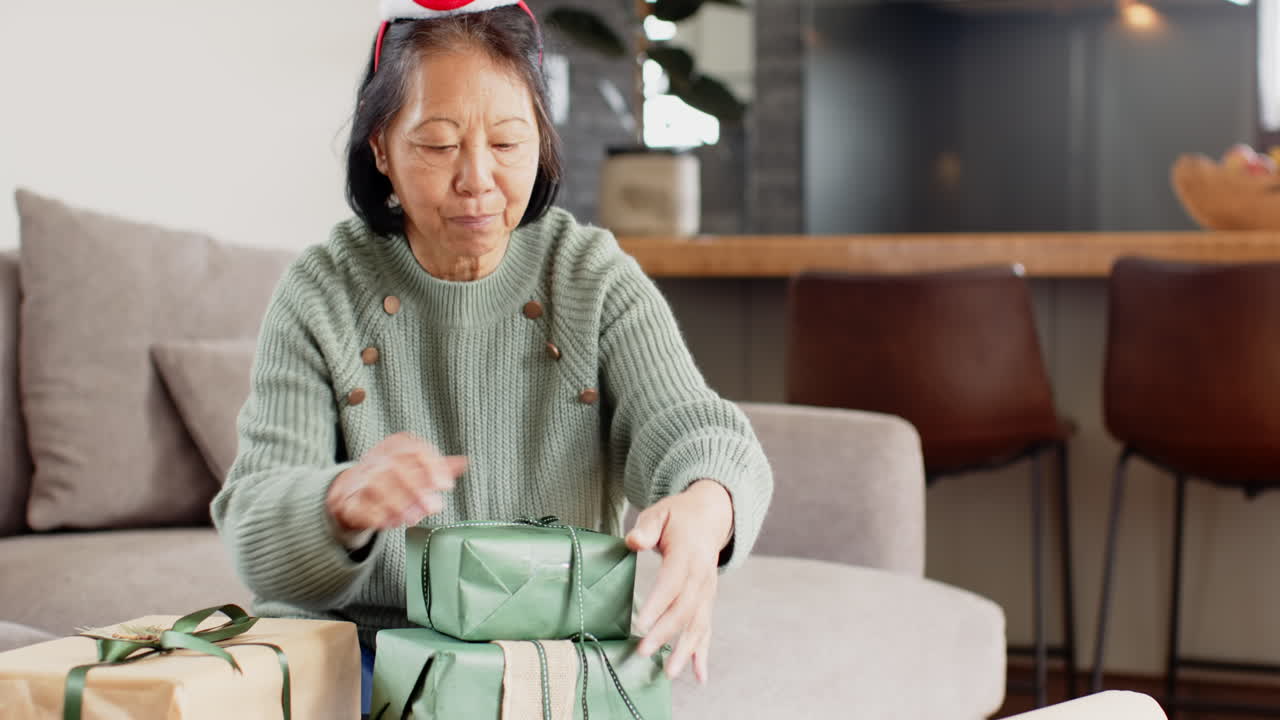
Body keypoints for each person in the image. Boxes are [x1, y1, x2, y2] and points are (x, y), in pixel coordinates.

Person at [211, 0, 773, 707]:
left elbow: (692, 426)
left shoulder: (589, 276)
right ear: (381, 148)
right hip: (359, 650)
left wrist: (707, 503)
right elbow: (257, 525)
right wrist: (339, 502)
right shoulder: (323, 289)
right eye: (439, 145)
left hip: (543, 655)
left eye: (507, 143)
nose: (477, 178)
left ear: (540, 138)